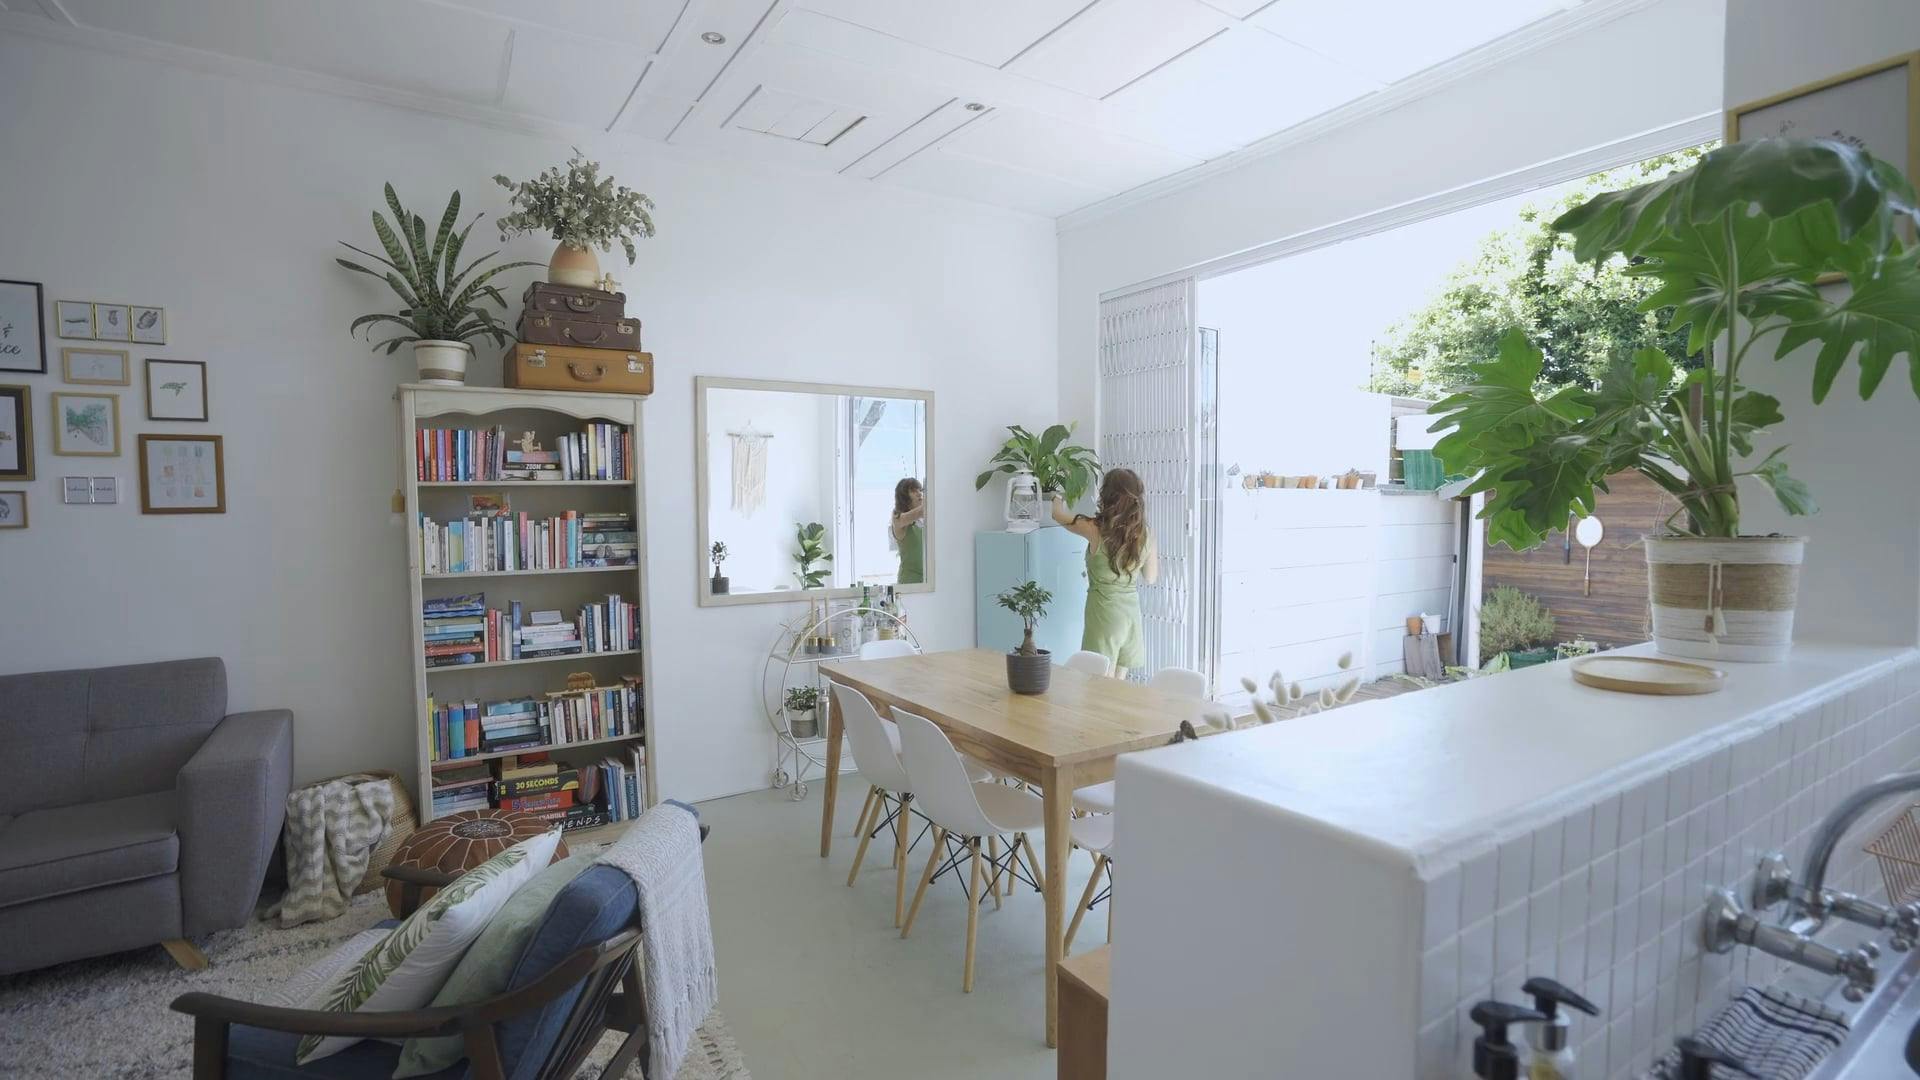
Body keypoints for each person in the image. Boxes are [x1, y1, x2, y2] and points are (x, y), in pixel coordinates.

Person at [1053, 468, 1156, 678]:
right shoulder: (1145, 534)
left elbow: (1057, 514)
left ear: (1106, 496)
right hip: (1130, 616)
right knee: (1119, 686)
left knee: (1100, 683)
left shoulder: (1094, 529)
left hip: (1104, 614)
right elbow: (1151, 578)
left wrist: (1057, 492)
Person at [891, 477, 926, 585]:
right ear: (904, 497)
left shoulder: (926, 520)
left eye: (920, 490)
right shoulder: (897, 518)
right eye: (914, 491)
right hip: (908, 584)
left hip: (926, 583)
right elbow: (920, 511)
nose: (919, 493)